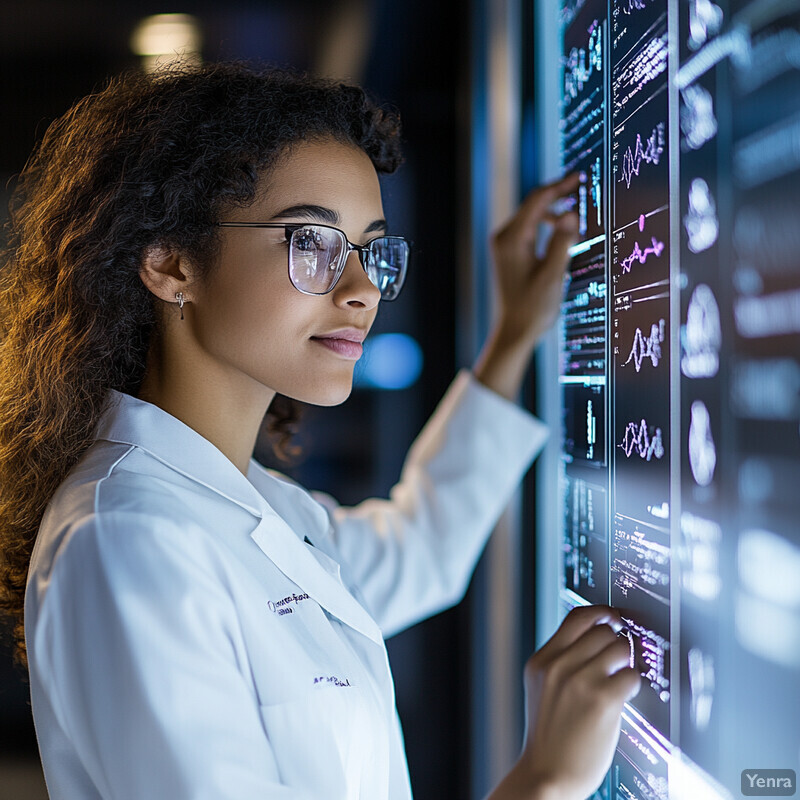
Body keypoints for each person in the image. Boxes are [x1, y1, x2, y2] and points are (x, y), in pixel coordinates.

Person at [0, 61, 639, 800]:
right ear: (171, 262)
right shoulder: (128, 538)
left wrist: (514, 337)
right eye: (311, 242)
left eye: (369, 248)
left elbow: (421, 548)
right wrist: (546, 780)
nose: (363, 289)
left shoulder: (257, 507)